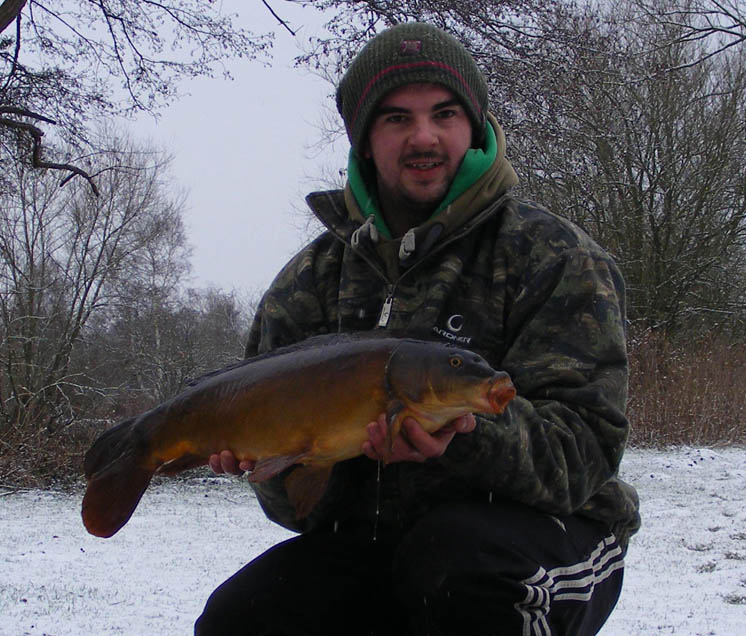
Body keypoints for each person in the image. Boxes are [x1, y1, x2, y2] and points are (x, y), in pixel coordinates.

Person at [195, 22, 640, 636]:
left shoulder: (555, 257)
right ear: (365, 140)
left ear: (475, 126)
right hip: (375, 539)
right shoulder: (307, 283)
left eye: (445, 113)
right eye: (397, 118)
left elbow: (582, 457)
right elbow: (295, 510)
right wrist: (261, 459)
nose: (424, 137)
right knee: (241, 619)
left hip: (547, 536)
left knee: (456, 567)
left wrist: (464, 436)